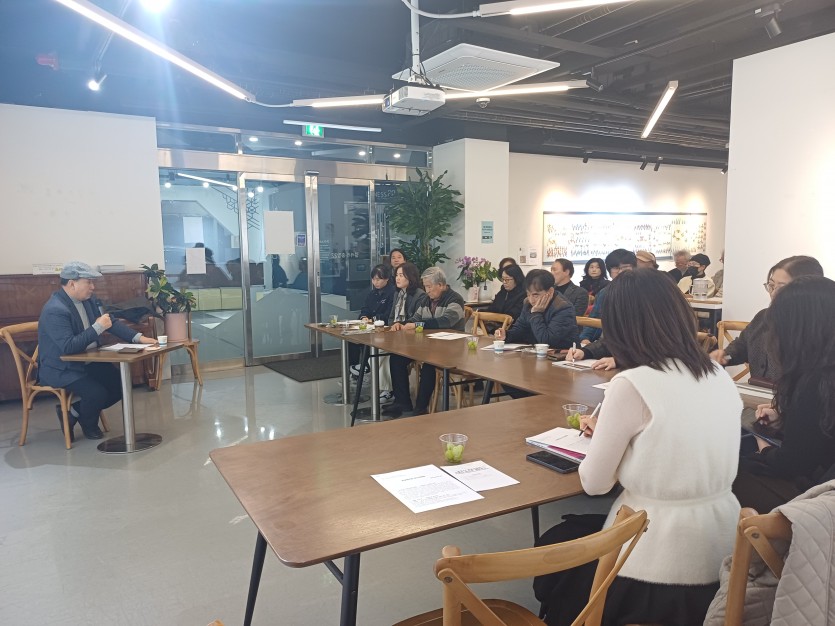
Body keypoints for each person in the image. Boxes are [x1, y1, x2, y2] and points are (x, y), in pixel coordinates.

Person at [534, 269, 742, 626]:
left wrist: (606, 436)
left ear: (619, 327)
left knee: (557, 550)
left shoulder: (631, 383)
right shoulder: (717, 374)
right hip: (723, 554)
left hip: (652, 560)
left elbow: (595, 484)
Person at [732, 276, 835, 512]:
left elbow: (793, 464)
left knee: (723, 475)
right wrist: (786, 419)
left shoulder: (817, 381)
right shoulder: (823, 374)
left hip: (818, 502)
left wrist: (765, 450)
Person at [37, 262, 157, 441]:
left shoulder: (89, 300)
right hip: (62, 367)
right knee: (96, 393)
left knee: (121, 385)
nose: (93, 287)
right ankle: (89, 424)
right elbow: (68, 347)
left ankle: (74, 413)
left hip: (88, 360)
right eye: (89, 282)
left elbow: (110, 322)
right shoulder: (55, 310)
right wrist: (97, 327)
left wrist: (138, 338)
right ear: (72, 283)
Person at [710, 255, 824, 381]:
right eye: (771, 285)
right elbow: (741, 349)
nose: (773, 293)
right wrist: (724, 356)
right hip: (757, 391)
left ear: (806, 290)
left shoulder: (820, 329)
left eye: (782, 288)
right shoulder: (763, 318)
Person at [385, 267, 465, 418]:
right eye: (425, 286)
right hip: (428, 346)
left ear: (441, 285)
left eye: (429, 287)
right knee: (396, 358)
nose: (427, 291)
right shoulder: (426, 300)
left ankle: (421, 408)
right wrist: (402, 324)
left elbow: (445, 321)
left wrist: (418, 325)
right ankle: (403, 402)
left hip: (451, 348)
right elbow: (416, 318)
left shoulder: (455, 299)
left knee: (429, 365)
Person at [494, 269, 577, 349]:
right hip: (533, 352)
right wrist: (507, 335)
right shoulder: (527, 302)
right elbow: (520, 328)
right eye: (528, 294)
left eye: (535, 295)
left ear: (550, 291)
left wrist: (536, 313)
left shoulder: (563, 308)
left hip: (560, 354)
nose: (531, 300)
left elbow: (547, 341)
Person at [579, 249, 637, 345]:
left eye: (625, 267)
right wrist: (585, 338)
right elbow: (593, 319)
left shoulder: (642, 291)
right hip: (605, 344)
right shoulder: (604, 293)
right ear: (609, 271)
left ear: (634, 268)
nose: (620, 271)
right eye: (616, 268)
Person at [348, 264, 396, 377]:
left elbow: (389, 314)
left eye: (378, 279)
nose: (375, 282)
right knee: (352, 340)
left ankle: (366, 367)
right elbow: (365, 308)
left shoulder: (393, 293)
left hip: (384, 328)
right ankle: (354, 370)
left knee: (369, 342)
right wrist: (364, 317)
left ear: (387, 279)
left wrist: (372, 319)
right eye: (373, 279)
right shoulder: (372, 293)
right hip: (370, 326)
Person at [483, 263, 526, 331]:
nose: (504, 282)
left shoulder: (523, 294)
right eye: (503, 279)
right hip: (497, 327)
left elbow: (513, 315)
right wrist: (477, 312)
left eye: (507, 279)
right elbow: (492, 309)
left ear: (517, 279)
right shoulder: (503, 292)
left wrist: (495, 317)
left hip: (513, 330)